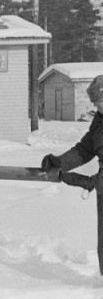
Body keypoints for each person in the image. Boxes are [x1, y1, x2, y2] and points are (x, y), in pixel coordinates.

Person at [42, 74, 103, 275]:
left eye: (101, 100)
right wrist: (59, 163)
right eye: (96, 102)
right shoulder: (100, 122)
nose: (98, 106)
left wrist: (90, 182)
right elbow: (84, 150)